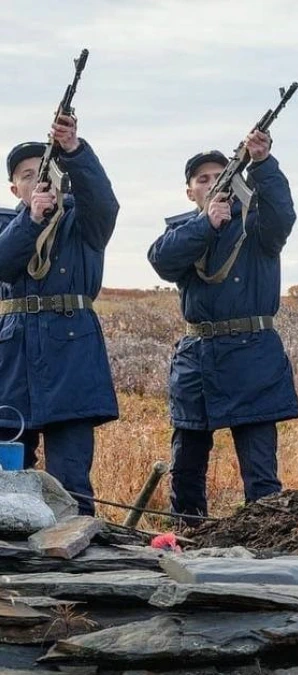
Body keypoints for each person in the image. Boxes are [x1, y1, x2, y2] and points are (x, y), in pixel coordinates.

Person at [147, 130, 298, 524]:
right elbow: (163, 261)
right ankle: (186, 536)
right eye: (202, 179)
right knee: (187, 466)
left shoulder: (259, 228)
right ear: (189, 192)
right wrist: (207, 225)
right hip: (198, 358)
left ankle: (266, 540)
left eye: (220, 175)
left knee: (260, 470)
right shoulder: (182, 231)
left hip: (254, 354)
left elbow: (283, 213)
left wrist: (263, 163)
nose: (212, 182)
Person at [0, 114, 120, 515]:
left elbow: (104, 201)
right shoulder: (8, 224)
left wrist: (75, 151)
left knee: (70, 477)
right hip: (13, 355)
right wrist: (32, 219)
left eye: (44, 172)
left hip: (72, 353)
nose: (36, 180)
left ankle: (76, 557)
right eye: (26, 174)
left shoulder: (84, 223)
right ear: (14, 187)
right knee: (9, 471)